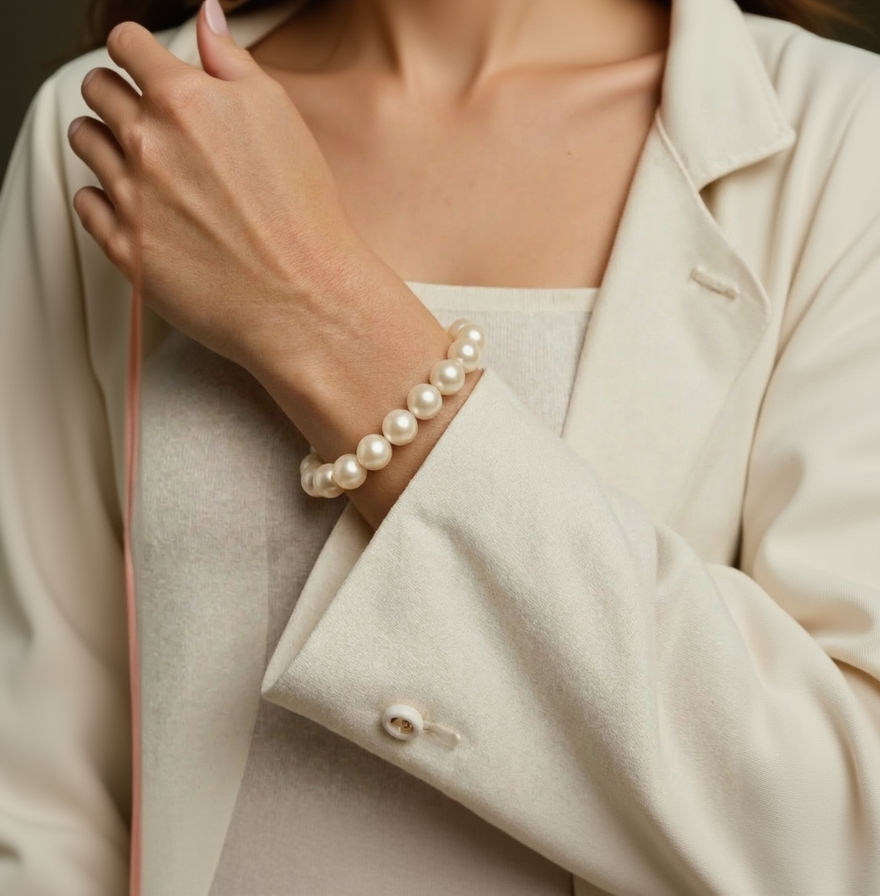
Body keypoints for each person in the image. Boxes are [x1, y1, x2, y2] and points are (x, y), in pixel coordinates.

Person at [1, 0, 879, 892]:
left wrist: (315, 310)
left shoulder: (844, 143)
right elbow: (39, 799)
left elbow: (839, 838)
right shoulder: (122, 128)